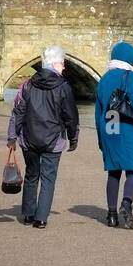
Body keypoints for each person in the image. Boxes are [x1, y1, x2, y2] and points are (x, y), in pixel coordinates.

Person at [7, 46, 79, 228]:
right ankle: (41, 218)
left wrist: (12, 137)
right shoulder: (64, 87)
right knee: (48, 178)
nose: (64, 67)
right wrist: (73, 137)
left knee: (32, 175)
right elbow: (71, 115)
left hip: (29, 139)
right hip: (53, 140)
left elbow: (18, 112)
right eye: (62, 63)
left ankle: (28, 214)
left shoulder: (27, 85)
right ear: (55, 64)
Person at [94, 41, 133, 229]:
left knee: (114, 171)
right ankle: (126, 204)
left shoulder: (104, 79)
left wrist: (100, 138)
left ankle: (111, 215)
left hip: (109, 126)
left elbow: (98, 111)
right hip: (128, 127)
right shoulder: (129, 76)